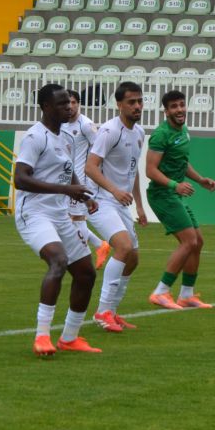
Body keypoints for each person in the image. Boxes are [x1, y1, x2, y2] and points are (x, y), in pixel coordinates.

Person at [13, 83, 101, 356]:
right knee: (59, 261)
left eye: (70, 103)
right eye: (62, 103)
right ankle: (42, 337)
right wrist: (67, 190)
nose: (69, 107)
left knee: (86, 272)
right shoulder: (34, 137)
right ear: (46, 107)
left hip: (59, 214)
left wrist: (82, 194)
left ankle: (70, 338)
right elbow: (20, 179)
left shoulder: (65, 136)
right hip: (34, 213)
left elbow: (66, 170)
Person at [146, 90, 215, 310]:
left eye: (181, 105)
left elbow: (181, 162)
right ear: (166, 111)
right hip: (162, 195)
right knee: (189, 241)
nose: (179, 110)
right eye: (174, 107)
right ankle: (160, 292)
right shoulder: (161, 134)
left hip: (175, 194)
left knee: (198, 242)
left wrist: (200, 180)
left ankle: (186, 295)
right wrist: (174, 185)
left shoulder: (183, 130)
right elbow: (150, 170)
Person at [84, 81, 147, 333]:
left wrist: (140, 207)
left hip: (121, 202)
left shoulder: (139, 133)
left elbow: (133, 172)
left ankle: (113, 311)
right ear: (119, 105)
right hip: (101, 201)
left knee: (133, 259)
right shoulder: (110, 131)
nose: (137, 106)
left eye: (140, 101)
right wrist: (114, 190)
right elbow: (90, 166)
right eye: (131, 102)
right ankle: (102, 311)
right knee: (123, 247)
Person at [64, 90, 112, 269]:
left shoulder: (86, 125)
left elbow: (100, 150)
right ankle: (100, 245)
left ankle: (81, 257)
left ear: (79, 104)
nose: (71, 106)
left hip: (82, 180)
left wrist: (97, 176)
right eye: (68, 102)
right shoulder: (62, 125)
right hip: (66, 180)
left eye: (74, 102)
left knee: (77, 218)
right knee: (68, 217)